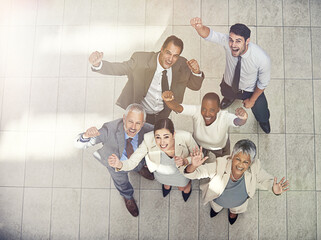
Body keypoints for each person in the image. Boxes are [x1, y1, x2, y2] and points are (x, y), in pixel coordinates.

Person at [89, 35, 205, 125]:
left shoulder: (181, 64)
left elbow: (195, 86)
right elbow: (120, 68)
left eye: (175, 55)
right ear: (162, 49)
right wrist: (99, 64)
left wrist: (196, 72)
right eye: (168, 53)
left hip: (163, 115)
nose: (170, 59)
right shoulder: (141, 60)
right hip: (140, 114)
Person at [190, 17, 271, 134]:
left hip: (250, 90)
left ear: (247, 41)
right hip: (229, 84)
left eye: (238, 41)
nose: (233, 45)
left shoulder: (262, 59)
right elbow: (209, 35)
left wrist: (252, 100)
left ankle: (263, 121)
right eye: (231, 40)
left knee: (261, 110)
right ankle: (229, 98)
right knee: (226, 93)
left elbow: (263, 83)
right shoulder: (227, 43)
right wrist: (199, 28)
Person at [183, 139, 289, 225]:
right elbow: (196, 173)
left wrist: (273, 189)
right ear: (232, 155)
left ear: (250, 163)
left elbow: (267, 180)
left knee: (235, 210)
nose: (240, 165)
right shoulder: (220, 164)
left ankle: (233, 213)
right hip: (217, 200)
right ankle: (216, 210)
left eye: (246, 162)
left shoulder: (255, 168)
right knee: (216, 207)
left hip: (239, 203)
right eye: (238, 159)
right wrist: (193, 166)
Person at [74, 104, 154, 217]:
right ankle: (127, 197)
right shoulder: (109, 130)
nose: (133, 127)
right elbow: (79, 144)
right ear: (124, 118)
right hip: (116, 165)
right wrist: (85, 136)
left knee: (138, 164)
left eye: (138, 123)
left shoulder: (148, 129)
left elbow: (165, 134)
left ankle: (138, 169)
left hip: (136, 160)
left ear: (143, 123)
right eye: (130, 121)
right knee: (122, 183)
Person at [108, 118, 203, 202]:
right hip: (161, 173)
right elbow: (133, 161)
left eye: (166, 137)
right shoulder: (148, 139)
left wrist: (185, 161)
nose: (162, 142)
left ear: (173, 134)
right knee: (165, 183)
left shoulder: (185, 137)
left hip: (180, 172)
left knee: (182, 187)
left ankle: (187, 185)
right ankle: (167, 185)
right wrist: (120, 164)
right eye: (158, 137)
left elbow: (199, 155)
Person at [162, 90, 248, 159]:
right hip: (199, 145)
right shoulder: (197, 111)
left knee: (222, 161)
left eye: (211, 110)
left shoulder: (224, 117)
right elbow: (179, 108)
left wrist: (243, 118)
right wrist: (169, 100)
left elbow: (237, 122)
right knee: (198, 159)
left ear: (218, 109)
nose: (206, 114)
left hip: (219, 148)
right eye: (204, 109)